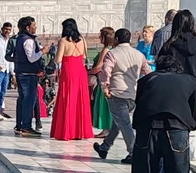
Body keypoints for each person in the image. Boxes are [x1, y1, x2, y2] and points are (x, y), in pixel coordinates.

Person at [159, 10, 196, 162]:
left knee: (174, 126)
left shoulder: (170, 46)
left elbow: (161, 66)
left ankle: (176, 159)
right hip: (195, 88)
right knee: (194, 128)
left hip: (174, 90)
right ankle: (193, 161)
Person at [94, 27, 150, 162]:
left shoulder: (113, 54)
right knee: (118, 122)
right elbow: (147, 72)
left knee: (124, 124)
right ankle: (105, 147)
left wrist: (104, 87)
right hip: (132, 94)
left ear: (117, 39)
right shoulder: (138, 55)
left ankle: (134, 153)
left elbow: (106, 71)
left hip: (117, 94)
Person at [49, 19, 94, 141]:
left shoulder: (63, 41)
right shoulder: (82, 39)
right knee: (80, 99)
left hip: (69, 70)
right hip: (80, 70)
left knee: (68, 98)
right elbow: (84, 56)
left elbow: (58, 59)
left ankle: (68, 130)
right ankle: (80, 131)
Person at [10, 16, 44, 138]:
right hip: (28, 75)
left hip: (22, 73)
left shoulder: (20, 38)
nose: (35, 28)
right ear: (27, 27)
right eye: (34, 26)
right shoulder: (28, 40)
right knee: (29, 101)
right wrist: (42, 52)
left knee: (23, 100)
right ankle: (26, 127)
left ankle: (20, 125)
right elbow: (32, 58)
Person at [88, 28, 115, 135]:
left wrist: (88, 72)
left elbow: (99, 67)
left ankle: (106, 129)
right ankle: (107, 129)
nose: (99, 38)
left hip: (103, 80)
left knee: (103, 104)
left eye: (101, 36)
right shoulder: (111, 49)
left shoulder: (106, 50)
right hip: (108, 80)